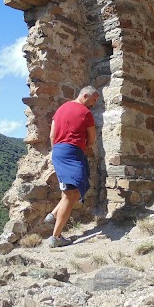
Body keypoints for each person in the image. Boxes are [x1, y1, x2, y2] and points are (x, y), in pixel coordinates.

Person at [45, 85, 99, 247]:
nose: (94, 104)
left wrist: (58, 151)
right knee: (70, 194)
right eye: (94, 100)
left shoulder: (61, 109)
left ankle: (53, 215)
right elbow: (92, 138)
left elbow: (52, 135)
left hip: (59, 151)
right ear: (85, 95)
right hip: (73, 152)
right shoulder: (86, 113)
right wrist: (83, 147)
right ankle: (55, 238)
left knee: (72, 190)